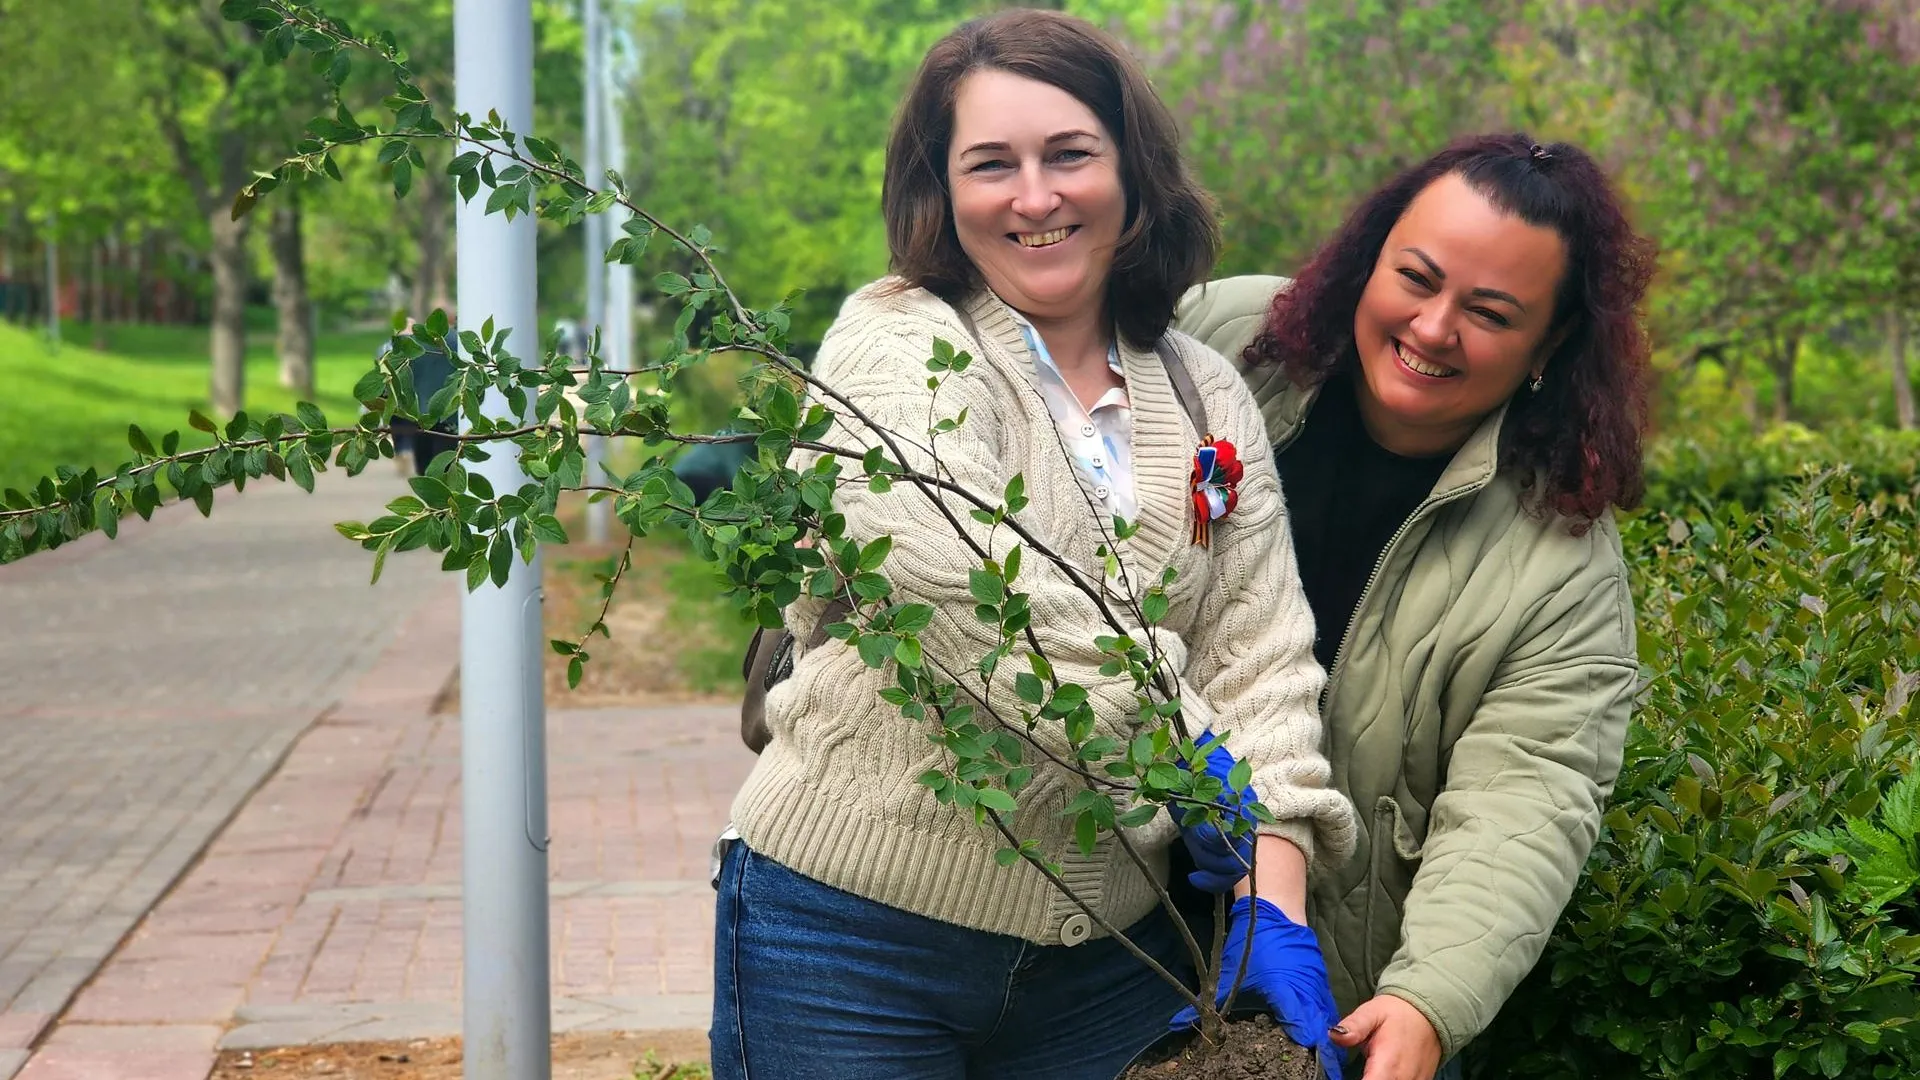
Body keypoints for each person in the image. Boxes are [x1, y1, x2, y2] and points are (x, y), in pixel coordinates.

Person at [709, 10, 1357, 1079]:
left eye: (1070, 154)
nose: (1036, 196)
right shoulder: (897, 348)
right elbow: (971, 596)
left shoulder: (1207, 394)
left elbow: (1263, 661)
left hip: (1110, 974)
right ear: (942, 189)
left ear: (1133, 174)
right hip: (851, 942)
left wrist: (1271, 893)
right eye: (990, 164)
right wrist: (1195, 770)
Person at [1173, 133, 1656, 1080]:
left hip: (1314, 989)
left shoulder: (1560, 561)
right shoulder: (1218, 342)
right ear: (1368, 258)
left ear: (1548, 346)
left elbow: (1530, 795)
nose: (1434, 328)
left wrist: (1430, 996)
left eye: (1489, 311)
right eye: (1417, 278)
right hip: (1071, 919)